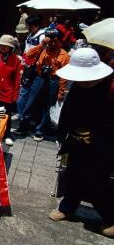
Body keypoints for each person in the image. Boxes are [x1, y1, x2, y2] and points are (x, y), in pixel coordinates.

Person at [48, 47, 113, 237]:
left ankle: (111, 217)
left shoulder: (110, 89)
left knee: (96, 182)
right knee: (73, 175)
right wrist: (63, 133)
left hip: (102, 145)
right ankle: (68, 208)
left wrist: (94, 136)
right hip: (76, 140)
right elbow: (68, 110)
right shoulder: (79, 85)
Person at [16, 28, 70, 141]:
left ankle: (39, 130)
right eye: (51, 40)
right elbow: (29, 55)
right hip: (39, 78)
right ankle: (23, 127)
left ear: (59, 41)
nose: (53, 43)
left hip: (53, 81)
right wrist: (42, 44)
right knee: (30, 103)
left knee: (47, 107)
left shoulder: (64, 55)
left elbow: (64, 76)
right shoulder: (43, 49)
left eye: (55, 40)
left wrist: (61, 91)